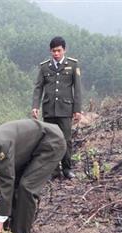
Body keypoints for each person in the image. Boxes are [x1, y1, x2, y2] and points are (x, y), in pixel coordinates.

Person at [32, 36, 82, 179]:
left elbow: (77, 89)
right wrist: (35, 106)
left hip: (65, 109)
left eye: (59, 51)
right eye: (54, 51)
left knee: (66, 139)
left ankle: (67, 169)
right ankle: (53, 171)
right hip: (49, 109)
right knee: (49, 141)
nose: (56, 54)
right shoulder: (44, 67)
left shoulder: (72, 65)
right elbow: (38, 88)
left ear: (64, 50)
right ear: (50, 51)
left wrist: (77, 109)